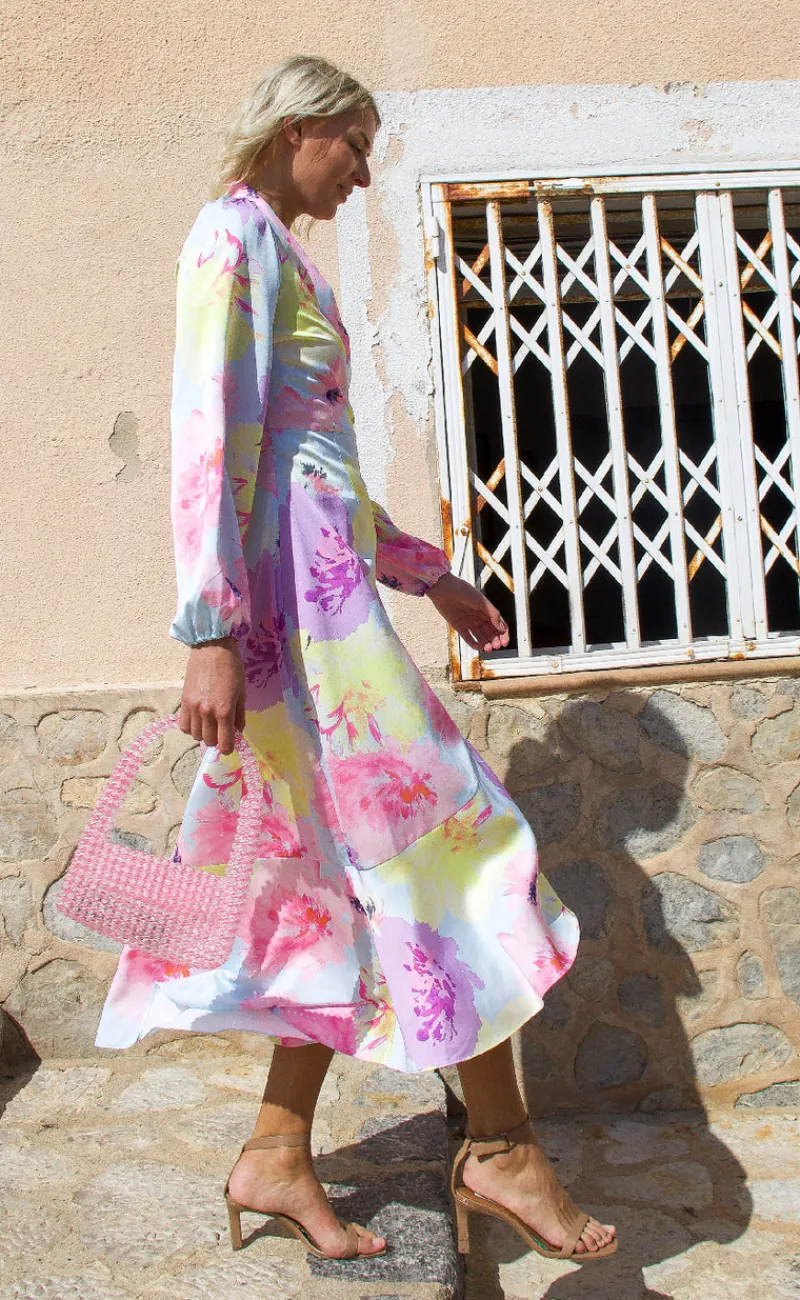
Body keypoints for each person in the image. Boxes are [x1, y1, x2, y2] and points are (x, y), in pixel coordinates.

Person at [94, 54, 617, 1265]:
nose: (365, 174)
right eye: (356, 145)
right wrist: (207, 630)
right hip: (296, 630)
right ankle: (499, 1147)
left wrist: (426, 571)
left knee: (330, 881)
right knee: (454, 851)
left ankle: (276, 1153)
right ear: (298, 128)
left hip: (320, 613)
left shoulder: (276, 248)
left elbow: (313, 460)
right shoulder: (233, 236)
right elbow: (205, 439)